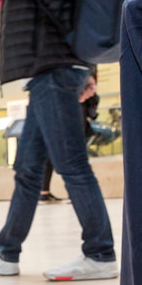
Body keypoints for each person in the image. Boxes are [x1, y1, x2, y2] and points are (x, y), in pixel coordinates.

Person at [0, 0, 118, 282]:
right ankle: (6, 251)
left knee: (71, 164)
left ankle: (101, 252)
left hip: (55, 67)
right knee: (28, 169)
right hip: (49, 69)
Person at [39, 70, 100, 203]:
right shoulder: (79, 81)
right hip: (73, 125)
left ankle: (46, 192)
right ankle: (77, 195)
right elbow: (92, 110)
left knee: (54, 158)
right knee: (74, 159)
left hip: (61, 122)